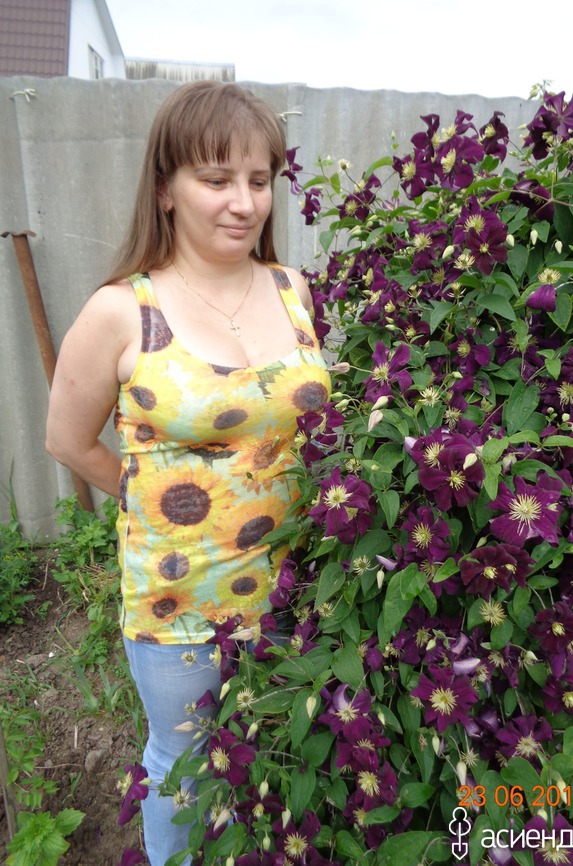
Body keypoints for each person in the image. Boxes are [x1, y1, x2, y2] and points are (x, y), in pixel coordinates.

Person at [45, 80, 331, 865]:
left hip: (299, 581)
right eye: (216, 179)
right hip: (183, 603)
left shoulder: (292, 290)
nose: (243, 202)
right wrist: (162, 503)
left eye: (259, 180)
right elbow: (66, 440)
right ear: (166, 188)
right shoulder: (121, 311)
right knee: (182, 765)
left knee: (276, 747)